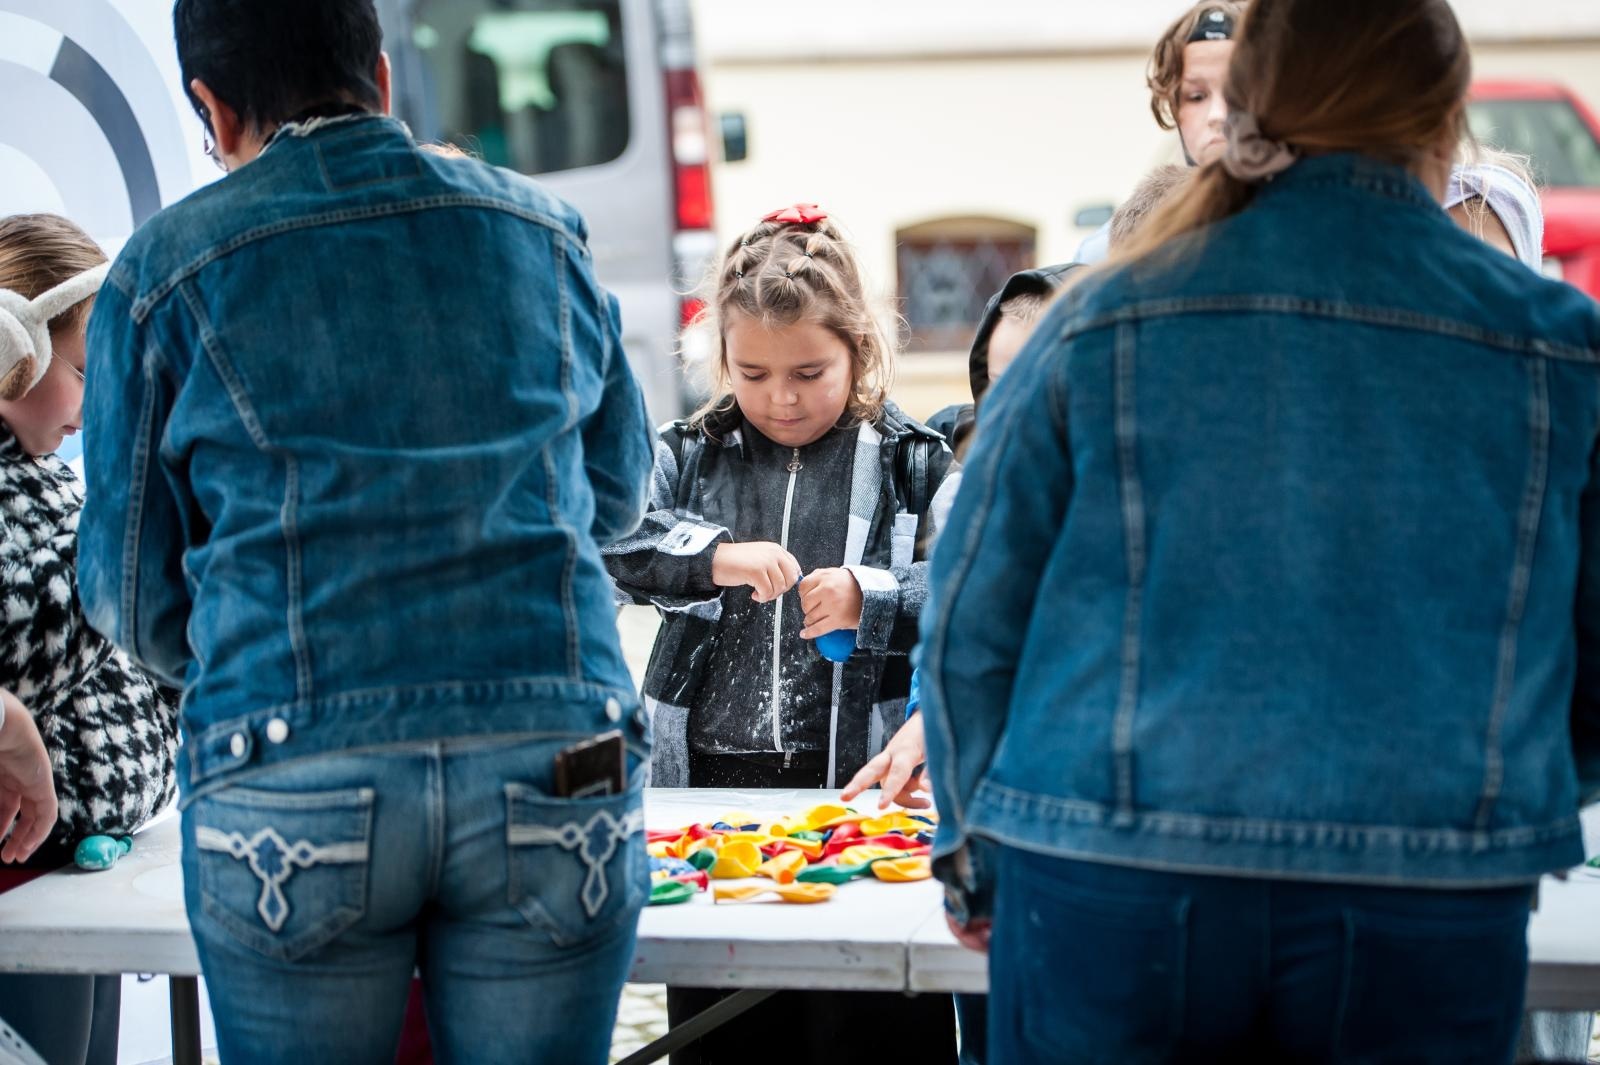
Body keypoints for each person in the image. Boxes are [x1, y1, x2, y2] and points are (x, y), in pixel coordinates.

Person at [920, 0, 1600, 1061]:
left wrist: (969, 853)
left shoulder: (1102, 317)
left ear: (1247, 104)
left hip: (1108, 876)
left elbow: (969, 617)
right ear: (1444, 116)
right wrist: (1495, 795)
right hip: (1421, 888)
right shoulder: (1556, 345)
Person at [76, 1, 655, 1061]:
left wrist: (238, 658)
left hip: (287, 769)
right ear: (382, 79)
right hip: (558, 749)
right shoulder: (542, 229)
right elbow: (616, 498)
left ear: (211, 106)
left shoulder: (162, 269)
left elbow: (125, 589)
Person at [605, 204, 960, 1065]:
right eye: (752, 372)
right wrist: (714, 556)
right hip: (709, 800)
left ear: (860, 351)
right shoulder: (685, 454)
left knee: (869, 1025)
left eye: (810, 370)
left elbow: (974, 590)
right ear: (718, 356)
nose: (781, 398)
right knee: (725, 1027)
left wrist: (871, 595)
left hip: (860, 792)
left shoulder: (915, 460)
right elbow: (617, 539)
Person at [0, 212, 181, 1065]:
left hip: (87, 866)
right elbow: (26, 640)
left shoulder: (45, 481)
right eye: (80, 370)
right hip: (22, 879)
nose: (93, 401)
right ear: (11, 349)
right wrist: (122, 531)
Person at [1075, 1, 1246, 263]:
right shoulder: (1103, 253)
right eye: (1197, 96)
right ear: (1174, 107)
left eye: (1237, 91)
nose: (1218, 116)